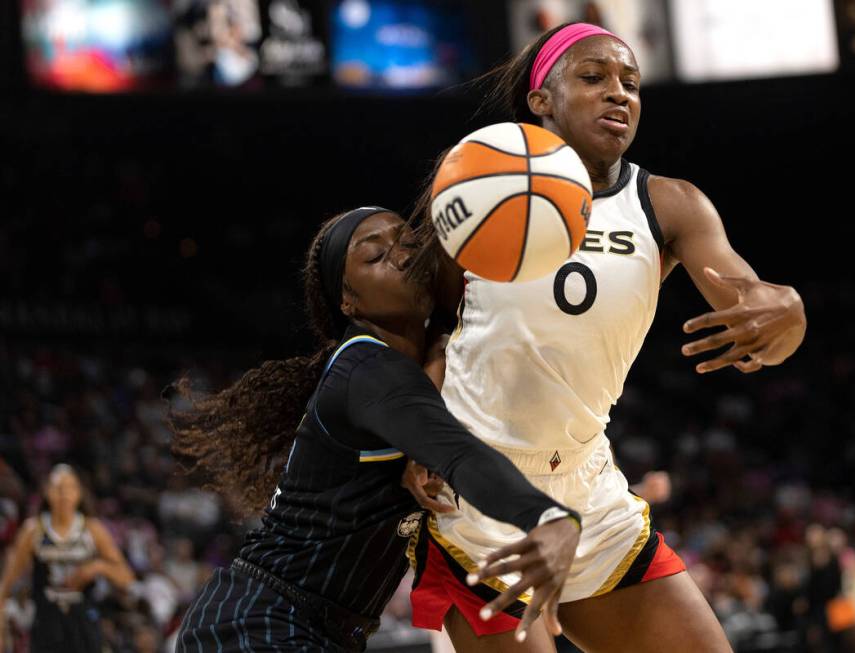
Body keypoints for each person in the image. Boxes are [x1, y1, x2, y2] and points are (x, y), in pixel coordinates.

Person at [403, 22, 807, 652]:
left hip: (586, 486)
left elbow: (757, 317)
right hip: (474, 490)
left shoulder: (669, 204)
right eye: (593, 79)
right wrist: (414, 438)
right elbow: (430, 332)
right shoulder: (481, 183)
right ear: (542, 100)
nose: (619, 94)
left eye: (631, 83)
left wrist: (788, 315)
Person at [168, 207, 582, 652]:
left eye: (405, 241)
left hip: (310, 627)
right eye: (375, 256)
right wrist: (547, 517)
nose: (401, 256)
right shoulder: (365, 367)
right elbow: (456, 452)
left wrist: (440, 343)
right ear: (349, 301)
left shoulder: (409, 368)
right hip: (260, 623)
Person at [0, 464, 135, 653]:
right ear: (47, 491)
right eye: (58, 487)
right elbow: (6, 585)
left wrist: (97, 567)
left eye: (70, 487)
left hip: (83, 620)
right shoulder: (33, 530)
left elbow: (127, 578)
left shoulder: (92, 529)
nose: (64, 493)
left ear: (79, 493)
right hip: (46, 620)